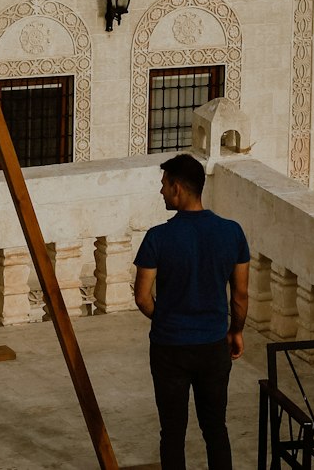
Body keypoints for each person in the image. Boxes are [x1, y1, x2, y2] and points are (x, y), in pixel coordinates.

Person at [133, 153, 250, 470]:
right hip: (213, 347)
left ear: (178, 188)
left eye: (163, 185)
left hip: (169, 347)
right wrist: (235, 331)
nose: (161, 192)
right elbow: (239, 295)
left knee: (172, 432)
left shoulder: (158, 238)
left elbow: (143, 297)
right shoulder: (232, 232)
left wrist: (166, 320)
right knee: (215, 429)